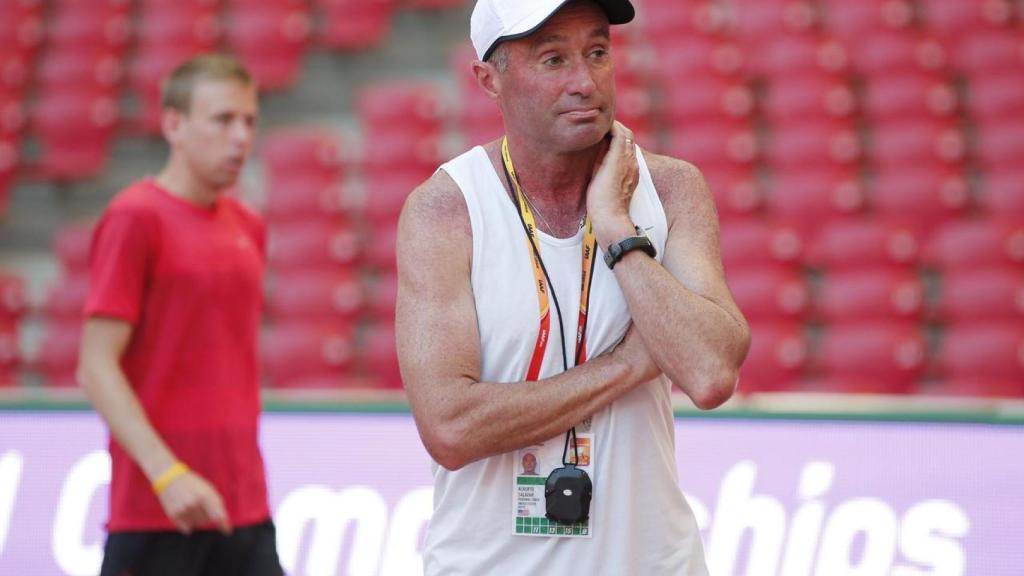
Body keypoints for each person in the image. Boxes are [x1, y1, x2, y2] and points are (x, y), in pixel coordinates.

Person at [396, 0, 751, 573]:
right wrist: (631, 364)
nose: (584, 82)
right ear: (490, 80)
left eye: (597, 52)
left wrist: (616, 227)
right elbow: (451, 428)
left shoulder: (673, 189)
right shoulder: (445, 210)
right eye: (553, 59)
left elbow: (710, 374)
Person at [77, 54, 283, 576]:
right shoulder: (135, 217)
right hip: (155, 513)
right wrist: (167, 475)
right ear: (173, 124)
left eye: (250, 121)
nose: (241, 137)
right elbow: (96, 366)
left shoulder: (248, 226)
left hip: (245, 508)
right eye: (222, 120)